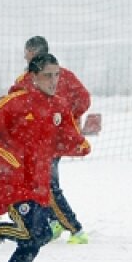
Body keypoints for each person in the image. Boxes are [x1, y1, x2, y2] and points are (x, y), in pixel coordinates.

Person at [0, 53, 92, 262]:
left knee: (38, 239)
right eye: (48, 76)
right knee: (34, 234)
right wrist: (8, 157)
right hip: (14, 181)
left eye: (57, 75)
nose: (53, 81)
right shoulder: (15, 101)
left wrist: (79, 145)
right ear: (34, 77)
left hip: (40, 183)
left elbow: (64, 138)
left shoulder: (59, 105)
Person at [14, 36, 92, 244]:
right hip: (37, 143)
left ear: (34, 53)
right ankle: (54, 221)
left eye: (27, 52)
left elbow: (84, 99)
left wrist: (62, 118)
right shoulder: (26, 80)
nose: (24, 55)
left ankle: (76, 229)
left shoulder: (52, 77)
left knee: (48, 185)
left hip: (46, 144)